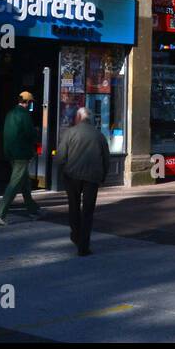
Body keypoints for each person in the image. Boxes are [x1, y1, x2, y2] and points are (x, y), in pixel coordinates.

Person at [59, 107, 110, 255]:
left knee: (73, 207)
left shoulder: (70, 133)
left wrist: (62, 171)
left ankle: (75, 234)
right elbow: (106, 159)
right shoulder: (99, 135)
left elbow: (61, 156)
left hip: (72, 176)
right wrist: (103, 176)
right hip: (92, 177)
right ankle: (83, 246)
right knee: (88, 211)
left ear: (78, 117)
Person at [0, 90, 42, 225]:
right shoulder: (24, 115)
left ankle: (33, 210)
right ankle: (0, 214)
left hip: (10, 153)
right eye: (31, 103)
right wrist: (36, 133)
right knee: (14, 183)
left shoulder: (10, 113)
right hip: (21, 153)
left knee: (25, 182)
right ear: (27, 102)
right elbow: (30, 134)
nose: (31, 105)